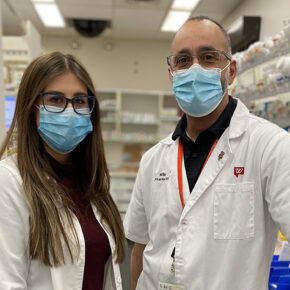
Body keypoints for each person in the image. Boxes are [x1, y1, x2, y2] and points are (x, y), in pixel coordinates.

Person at [124, 16, 290, 290]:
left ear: (231, 70)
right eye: (183, 60)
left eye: (208, 57)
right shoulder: (154, 159)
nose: (194, 69)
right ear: (171, 73)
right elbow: (140, 248)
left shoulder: (270, 147)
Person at [0, 52, 126, 290]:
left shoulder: (91, 182)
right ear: (31, 107)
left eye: (79, 101)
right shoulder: (9, 181)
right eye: (56, 100)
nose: (70, 110)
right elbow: (6, 282)